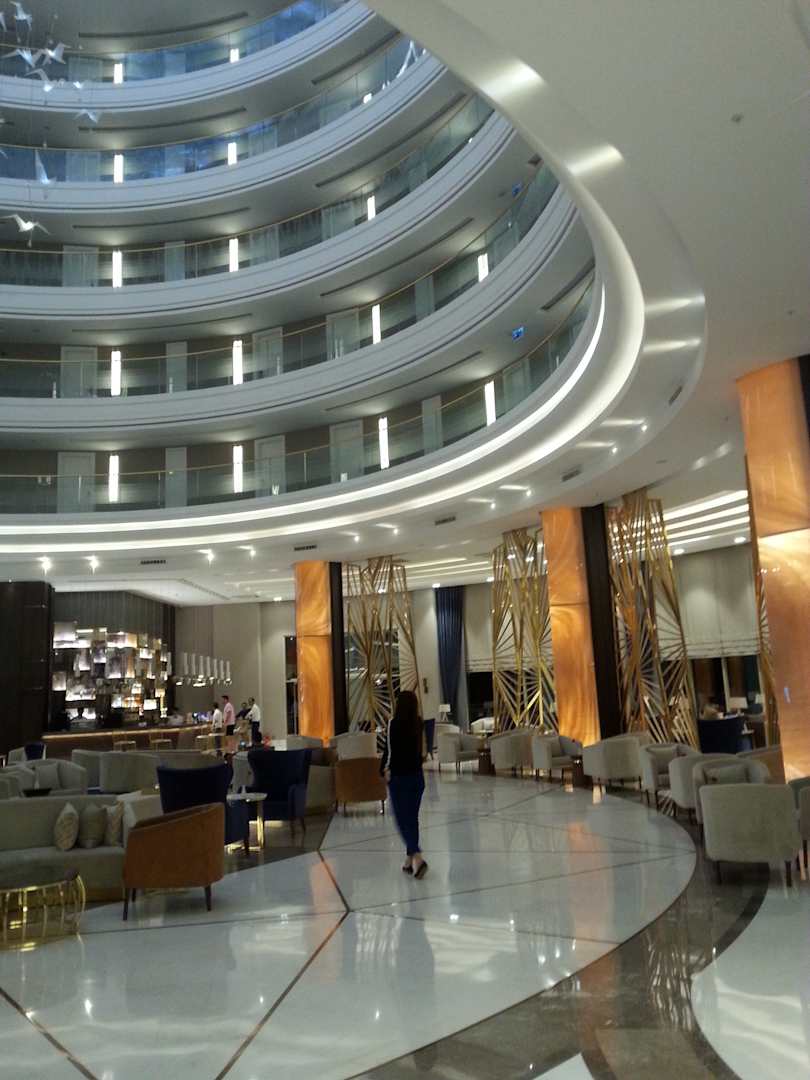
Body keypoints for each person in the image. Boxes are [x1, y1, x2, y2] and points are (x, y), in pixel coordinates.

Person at [381, 690, 428, 879]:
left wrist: (384, 769)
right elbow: (423, 752)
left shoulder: (393, 724)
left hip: (399, 778)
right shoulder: (419, 723)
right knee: (412, 819)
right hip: (417, 777)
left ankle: (417, 856)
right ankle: (409, 861)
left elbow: (389, 751)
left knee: (401, 820)